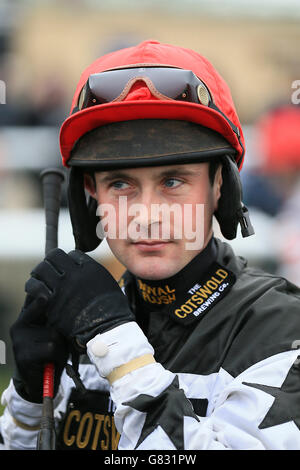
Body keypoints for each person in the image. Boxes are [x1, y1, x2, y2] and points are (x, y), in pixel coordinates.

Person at [1, 40, 300, 451]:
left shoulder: (282, 329)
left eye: (172, 181)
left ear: (219, 187)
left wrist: (113, 342)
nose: (146, 214)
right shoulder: (76, 328)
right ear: (92, 196)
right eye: (120, 183)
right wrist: (28, 399)